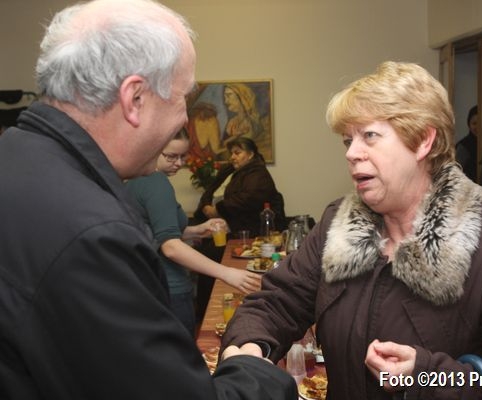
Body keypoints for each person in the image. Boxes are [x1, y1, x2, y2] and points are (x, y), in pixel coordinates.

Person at [0, 1, 297, 399]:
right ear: (135, 98)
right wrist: (254, 370)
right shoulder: (94, 235)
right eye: (183, 98)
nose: (185, 119)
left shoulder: (16, 157)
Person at [221, 61, 482, 399]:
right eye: (348, 140)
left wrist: (429, 376)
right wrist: (248, 347)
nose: (352, 153)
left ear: (423, 141)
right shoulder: (337, 225)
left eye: (369, 136)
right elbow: (277, 302)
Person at [125, 129, 261, 337]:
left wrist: (197, 230)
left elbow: (154, 233)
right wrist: (227, 273)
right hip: (170, 286)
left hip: (146, 285)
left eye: (183, 156)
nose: (179, 163)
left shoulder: (134, 179)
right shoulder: (157, 182)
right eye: (171, 156)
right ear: (153, 149)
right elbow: (170, 247)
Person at [195, 136, 286, 237]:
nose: (232, 157)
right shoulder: (227, 171)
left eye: (237, 153)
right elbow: (209, 190)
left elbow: (247, 198)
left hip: (244, 231)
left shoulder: (258, 174)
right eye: (231, 153)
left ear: (250, 155)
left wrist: (217, 209)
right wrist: (206, 206)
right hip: (216, 226)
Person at [455, 105, 478, 181]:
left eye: (480, 123)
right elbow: (456, 173)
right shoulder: (463, 146)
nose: (477, 126)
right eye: (474, 123)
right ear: (469, 125)